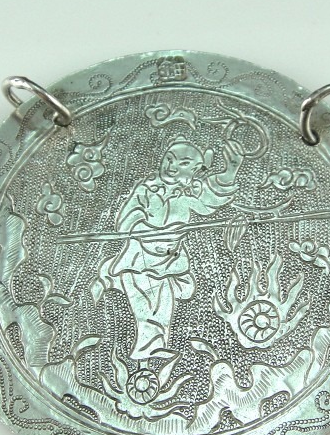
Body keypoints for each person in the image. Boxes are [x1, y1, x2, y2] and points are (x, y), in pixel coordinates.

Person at [91, 136, 244, 368]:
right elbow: (125, 220)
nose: (172, 166)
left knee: (163, 304)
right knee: (146, 302)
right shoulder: (147, 189)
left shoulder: (189, 192)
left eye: (183, 163)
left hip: (169, 260)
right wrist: (143, 228)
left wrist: (229, 173)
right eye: (169, 159)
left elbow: (212, 198)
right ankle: (145, 356)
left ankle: (152, 353)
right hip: (139, 259)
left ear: (195, 169)